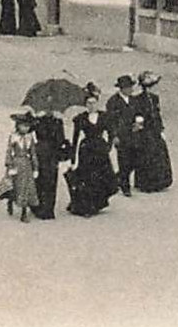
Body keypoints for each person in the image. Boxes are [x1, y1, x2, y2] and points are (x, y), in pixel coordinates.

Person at [67, 86, 117, 217]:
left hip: (100, 149)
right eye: (89, 103)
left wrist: (108, 145)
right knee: (87, 178)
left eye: (94, 103)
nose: (91, 106)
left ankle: (98, 203)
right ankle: (87, 206)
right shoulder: (80, 118)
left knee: (100, 176)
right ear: (85, 104)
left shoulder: (104, 116)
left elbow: (111, 132)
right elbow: (75, 138)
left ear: (97, 103)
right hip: (86, 150)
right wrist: (73, 160)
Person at [106, 74, 145, 196]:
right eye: (129, 87)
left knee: (136, 159)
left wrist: (139, 123)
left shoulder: (134, 100)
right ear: (122, 88)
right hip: (121, 136)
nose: (131, 89)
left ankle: (119, 177)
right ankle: (125, 186)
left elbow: (139, 114)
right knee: (124, 161)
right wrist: (114, 136)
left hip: (134, 134)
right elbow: (110, 121)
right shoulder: (113, 101)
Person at [136, 71, 173, 192]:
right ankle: (146, 182)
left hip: (155, 130)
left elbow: (157, 115)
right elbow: (138, 116)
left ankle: (160, 181)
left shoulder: (155, 98)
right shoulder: (138, 99)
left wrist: (161, 129)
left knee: (159, 154)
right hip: (145, 131)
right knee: (147, 155)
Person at [32, 109, 71, 220]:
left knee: (50, 180)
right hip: (42, 153)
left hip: (50, 154)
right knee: (42, 180)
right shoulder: (38, 120)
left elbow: (61, 139)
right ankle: (42, 207)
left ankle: (47, 209)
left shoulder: (57, 121)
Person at [3, 110, 40, 223]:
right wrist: (9, 165)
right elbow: (9, 151)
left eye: (27, 126)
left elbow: (33, 153)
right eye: (23, 126)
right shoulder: (13, 137)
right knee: (14, 186)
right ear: (18, 126)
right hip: (16, 163)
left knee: (26, 188)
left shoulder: (30, 138)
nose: (25, 128)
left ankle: (24, 211)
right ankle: (10, 201)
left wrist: (35, 167)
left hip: (26, 165)